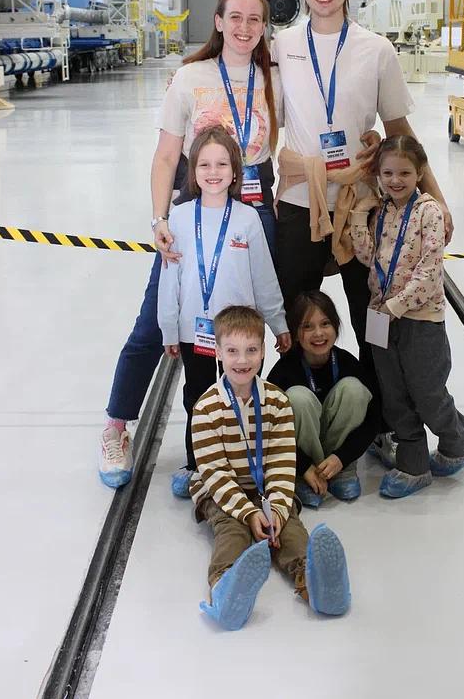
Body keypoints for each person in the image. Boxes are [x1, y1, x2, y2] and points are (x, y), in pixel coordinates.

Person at [99, 0, 281, 490]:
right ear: (218, 21)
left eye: (255, 19)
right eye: (235, 17)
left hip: (253, 209)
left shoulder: (274, 77)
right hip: (194, 212)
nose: (245, 27)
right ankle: (116, 426)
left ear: (264, 27)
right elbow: (165, 157)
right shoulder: (190, 78)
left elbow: (288, 140)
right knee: (154, 323)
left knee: (244, 328)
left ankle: (238, 437)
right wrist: (160, 219)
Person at [272, 0, 453, 378]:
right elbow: (255, 111)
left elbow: (399, 131)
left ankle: (378, 403)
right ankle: (299, 401)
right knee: (295, 315)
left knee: (371, 312)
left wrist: (437, 199)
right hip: (300, 203)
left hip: (363, 207)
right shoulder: (281, 46)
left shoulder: (376, 49)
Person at [191, 305, 351, 631]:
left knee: (289, 528)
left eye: (251, 350)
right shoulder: (206, 408)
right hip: (222, 491)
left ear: (263, 351)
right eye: (232, 351)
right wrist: (249, 514)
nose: (242, 360)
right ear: (217, 352)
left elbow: (281, 460)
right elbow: (215, 473)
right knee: (232, 531)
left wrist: (276, 509)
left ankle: (316, 584)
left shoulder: (277, 402)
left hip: (266, 488)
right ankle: (225, 589)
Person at [157, 126, 290, 497]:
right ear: (192, 172)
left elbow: (263, 277)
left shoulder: (247, 218)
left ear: (235, 172)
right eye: (204, 164)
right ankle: (198, 465)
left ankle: (246, 464)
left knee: (244, 397)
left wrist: (278, 322)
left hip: (241, 335)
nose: (212, 172)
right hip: (193, 331)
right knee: (198, 398)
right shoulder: (179, 218)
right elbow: (170, 280)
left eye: (221, 164)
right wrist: (169, 329)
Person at [350, 134, 464, 499]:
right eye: (388, 173)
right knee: (393, 396)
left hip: (419, 319)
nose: (395, 180)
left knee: (427, 393)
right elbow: (367, 257)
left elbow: (429, 270)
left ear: (420, 173)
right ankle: (413, 465)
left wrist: (396, 306)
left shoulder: (429, 212)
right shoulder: (382, 212)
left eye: (404, 173)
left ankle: (459, 441)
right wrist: (359, 214)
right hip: (381, 316)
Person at [267, 290, 380, 507]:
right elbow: (270, 429)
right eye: (307, 326)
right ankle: (304, 477)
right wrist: (302, 466)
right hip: (301, 459)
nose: (318, 333)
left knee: (354, 389)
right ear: (296, 333)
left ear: (336, 326)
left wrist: (343, 457)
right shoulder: (284, 371)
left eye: (325, 323)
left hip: (339, 456)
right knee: (297, 397)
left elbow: (373, 420)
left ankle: (342, 472)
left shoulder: (348, 364)